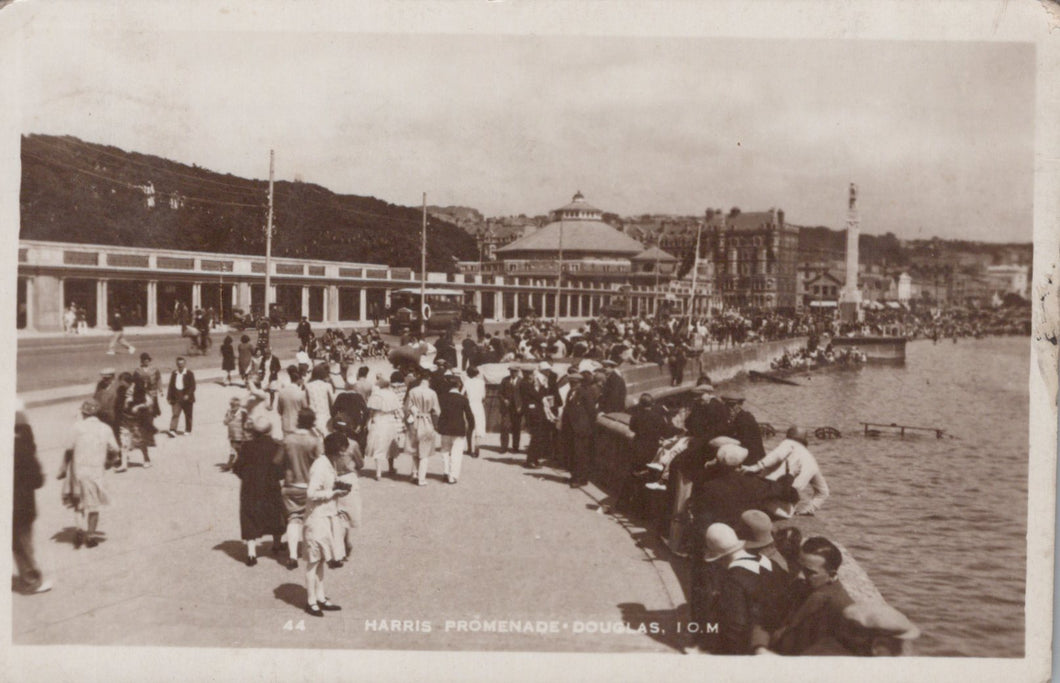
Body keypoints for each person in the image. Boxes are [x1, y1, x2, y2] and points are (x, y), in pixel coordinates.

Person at [767, 536, 854, 655]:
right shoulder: (800, 585)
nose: (800, 575)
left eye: (809, 572)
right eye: (798, 567)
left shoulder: (840, 606)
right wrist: (759, 646)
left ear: (831, 575)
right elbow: (766, 618)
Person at [59, 399, 119, 549]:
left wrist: (63, 468)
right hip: (96, 471)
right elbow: (115, 449)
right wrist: (109, 461)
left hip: (78, 471)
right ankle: (91, 536)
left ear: (84, 413)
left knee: (79, 503)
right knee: (94, 505)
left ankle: (79, 529)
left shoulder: (77, 427)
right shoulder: (106, 428)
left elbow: (68, 449)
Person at [703, 522, 769, 654]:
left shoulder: (732, 580)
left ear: (719, 558)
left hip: (751, 646)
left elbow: (736, 626)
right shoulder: (767, 561)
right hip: (769, 634)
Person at [302, 428, 347, 617]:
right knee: (313, 561)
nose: (344, 455)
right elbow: (311, 493)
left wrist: (336, 489)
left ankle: (320, 597)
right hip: (316, 519)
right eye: (342, 451)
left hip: (326, 517)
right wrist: (333, 492)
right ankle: (311, 601)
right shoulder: (320, 466)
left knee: (321, 559)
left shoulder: (329, 463)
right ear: (335, 450)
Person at [231, 414, 285, 566]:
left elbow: (237, 468)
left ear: (254, 431)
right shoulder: (276, 446)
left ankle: (251, 553)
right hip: (270, 485)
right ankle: (276, 543)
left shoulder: (246, 447)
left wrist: (246, 477)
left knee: (249, 516)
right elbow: (281, 470)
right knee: (275, 513)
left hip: (250, 487)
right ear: (270, 430)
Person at [741, 426, 830, 517]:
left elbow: (776, 455)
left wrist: (755, 467)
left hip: (766, 499)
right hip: (786, 510)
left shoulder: (789, 443)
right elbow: (824, 492)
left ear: (788, 436)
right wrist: (809, 509)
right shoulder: (812, 461)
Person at [13, 400, 51, 594]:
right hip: (21, 505)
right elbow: (37, 480)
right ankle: (31, 581)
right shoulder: (21, 448)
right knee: (22, 543)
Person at [277, 408, 321, 570]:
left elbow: (277, 461)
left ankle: (293, 555)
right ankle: (313, 551)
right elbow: (321, 461)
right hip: (310, 485)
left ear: (298, 420)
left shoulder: (288, 439)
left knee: (293, 520)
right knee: (312, 519)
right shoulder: (314, 441)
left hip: (291, 485)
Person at [324, 431, 362, 567]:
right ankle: (340, 550)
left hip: (332, 478)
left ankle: (342, 545)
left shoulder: (328, 441)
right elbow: (361, 463)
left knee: (338, 515)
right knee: (345, 517)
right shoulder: (352, 444)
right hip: (348, 478)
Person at [437, 375, 475, 484]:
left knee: (445, 450)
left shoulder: (442, 397)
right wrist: (471, 427)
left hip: (445, 427)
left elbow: (438, 413)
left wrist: (438, 426)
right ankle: (453, 476)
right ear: (458, 385)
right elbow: (469, 416)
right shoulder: (463, 399)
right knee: (456, 453)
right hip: (459, 428)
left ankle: (445, 472)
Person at [561, 370, 597, 488]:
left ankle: (581, 478)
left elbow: (591, 411)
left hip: (581, 429)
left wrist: (587, 426)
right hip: (571, 428)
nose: (572, 385)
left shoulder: (585, 393)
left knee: (580, 454)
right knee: (573, 453)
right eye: (571, 382)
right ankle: (575, 476)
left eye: (574, 383)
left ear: (579, 382)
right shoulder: (571, 392)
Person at [365, 374, 404, 480]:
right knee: (390, 445)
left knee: (378, 446)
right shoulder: (392, 394)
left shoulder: (376, 395)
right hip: (390, 420)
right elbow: (398, 409)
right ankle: (391, 467)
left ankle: (378, 473)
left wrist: (368, 421)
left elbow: (371, 410)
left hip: (378, 420)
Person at [405, 375, 440, 486]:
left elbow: (407, 407)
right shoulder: (432, 393)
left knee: (415, 449)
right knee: (425, 452)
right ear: (428, 381)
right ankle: (422, 478)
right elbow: (436, 411)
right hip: (427, 421)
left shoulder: (412, 391)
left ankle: (414, 474)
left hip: (414, 421)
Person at [118, 373, 154, 471]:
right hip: (125, 419)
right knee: (124, 441)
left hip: (136, 420)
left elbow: (149, 402)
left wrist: (138, 406)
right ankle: (124, 464)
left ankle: (146, 460)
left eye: (123, 383)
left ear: (128, 382)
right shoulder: (121, 390)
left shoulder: (139, 389)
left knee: (140, 441)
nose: (122, 385)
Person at [723, 397, 766, 467]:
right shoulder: (740, 417)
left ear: (740, 405)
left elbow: (745, 442)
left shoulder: (744, 420)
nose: (730, 408)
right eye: (727, 405)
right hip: (752, 455)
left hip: (752, 459)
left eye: (732, 405)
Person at [304, 363, 336, 439]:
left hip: (313, 417)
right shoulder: (327, 385)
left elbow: (306, 403)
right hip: (326, 416)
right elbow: (332, 402)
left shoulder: (307, 386)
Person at [166, 356, 196, 437]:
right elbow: (171, 386)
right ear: (177, 364)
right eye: (179, 364)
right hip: (176, 397)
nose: (180, 366)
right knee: (175, 414)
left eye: (182, 364)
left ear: (185, 364)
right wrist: (168, 397)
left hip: (187, 398)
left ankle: (188, 430)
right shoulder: (174, 373)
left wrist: (188, 394)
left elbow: (193, 386)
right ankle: (172, 430)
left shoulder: (189, 373)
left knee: (188, 415)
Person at [134, 353, 162, 432]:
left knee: (152, 410)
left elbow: (158, 379)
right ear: (142, 361)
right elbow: (135, 381)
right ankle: (144, 426)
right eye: (145, 360)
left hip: (152, 392)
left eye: (148, 360)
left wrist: (160, 389)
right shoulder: (138, 370)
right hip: (142, 392)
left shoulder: (154, 369)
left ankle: (150, 426)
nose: (146, 362)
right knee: (144, 408)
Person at [463, 366, 487, 458]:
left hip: (469, 406)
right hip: (478, 406)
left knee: (469, 427)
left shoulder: (466, 382)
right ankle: (477, 448)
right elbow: (483, 396)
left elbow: (463, 394)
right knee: (478, 427)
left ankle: (469, 448)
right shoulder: (481, 382)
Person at [498, 365, 523, 454]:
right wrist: (504, 400)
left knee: (516, 428)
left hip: (517, 408)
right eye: (512, 371)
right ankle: (504, 447)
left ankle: (515, 447)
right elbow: (500, 393)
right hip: (506, 408)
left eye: (515, 371)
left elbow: (525, 395)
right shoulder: (505, 380)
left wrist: (521, 406)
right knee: (504, 427)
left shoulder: (521, 381)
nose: (513, 373)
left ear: (518, 372)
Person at [277, 366, 308, 436]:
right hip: (297, 424)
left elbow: (279, 410)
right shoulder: (301, 393)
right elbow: (305, 409)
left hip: (285, 424)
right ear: (298, 380)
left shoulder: (282, 392)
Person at [221, 396, 250, 472]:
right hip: (232, 436)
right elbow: (225, 422)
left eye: (235, 406)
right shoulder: (229, 412)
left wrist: (246, 435)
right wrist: (229, 418)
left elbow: (245, 424)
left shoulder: (242, 413)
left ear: (239, 406)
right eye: (232, 405)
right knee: (233, 450)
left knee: (239, 451)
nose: (233, 407)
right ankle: (231, 465)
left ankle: (235, 465)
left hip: (240, 436)